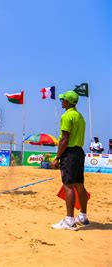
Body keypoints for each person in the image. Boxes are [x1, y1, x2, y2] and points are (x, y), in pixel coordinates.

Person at [50, 91, 89, 230]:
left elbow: (65, 139)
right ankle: (83, 216)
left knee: (68, 185)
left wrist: (57, 158)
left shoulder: (67, 116)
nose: (61, 102)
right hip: (79, 152)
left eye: (63, 100)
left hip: (70, 153)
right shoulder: (80, 116)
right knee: (79, 185)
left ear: (68, 102)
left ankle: (69, 220)